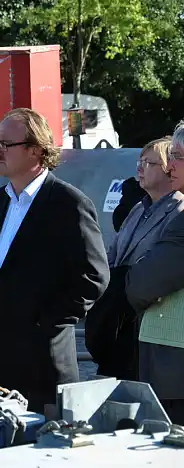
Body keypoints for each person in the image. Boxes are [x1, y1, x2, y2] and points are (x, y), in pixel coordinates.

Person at [0, 108, 109, 415]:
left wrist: (45, 325)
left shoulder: (68, 204)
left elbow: (94, 277)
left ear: (36, 150)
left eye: (5, 145)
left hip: (41, 364)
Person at [87, 138, 183, 380]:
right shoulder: (138, 208)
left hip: (148, 322)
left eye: (148, 163)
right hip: (119, 316)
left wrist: (124, 281)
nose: (139, 168)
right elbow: (114, 251)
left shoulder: (178, 212)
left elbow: (156, 271)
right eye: (139, 161)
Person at [126, 122, 184, 424]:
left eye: (177, 157)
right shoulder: (139, 208)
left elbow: (143, 283)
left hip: (174, 365)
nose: (170, 165)